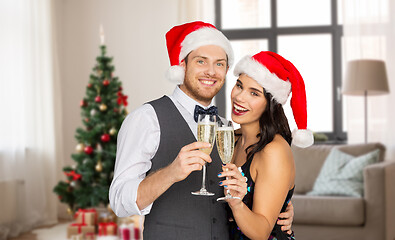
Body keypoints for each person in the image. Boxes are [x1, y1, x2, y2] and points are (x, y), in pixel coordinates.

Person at [109, 21, 294, 239]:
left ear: (226, 70)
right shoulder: (146, 119)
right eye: (201, 61)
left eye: (219, 64)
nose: (210, 71)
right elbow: (120, 202)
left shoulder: (227, 129)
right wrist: (171, 173)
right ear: (183, 65)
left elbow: (261, 184)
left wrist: (282, 207)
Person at [219, 51, 314, 239]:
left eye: (254, 93)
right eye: (239, 86)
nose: (239, 97)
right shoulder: (230, 138)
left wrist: (236, 203)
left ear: (270, 104)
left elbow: (262, 231)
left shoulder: (274, 150)